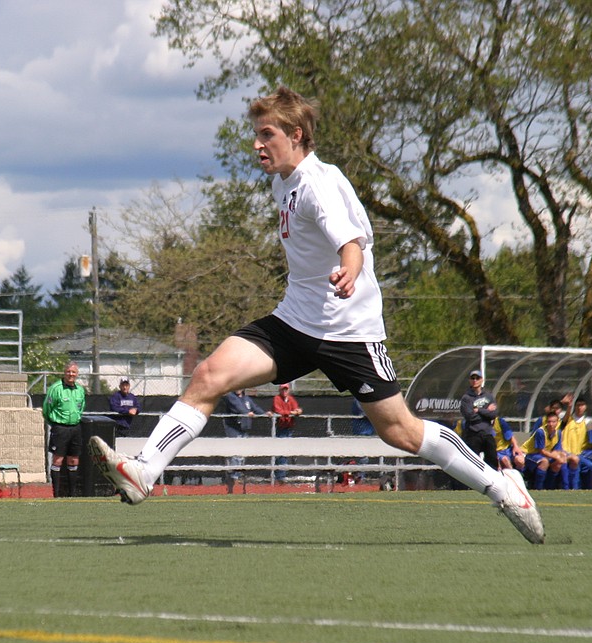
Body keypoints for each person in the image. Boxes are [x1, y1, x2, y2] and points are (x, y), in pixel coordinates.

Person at [87, 85, 543, 543]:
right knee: (208, 375)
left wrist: (349, 270)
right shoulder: (281, 183)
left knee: (401, 432)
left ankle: (503, 487)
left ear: (297, 134)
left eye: (266, 134)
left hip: (348, 330)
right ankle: (145, 470)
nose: (256, 144)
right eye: (256, 135)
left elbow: (351, 244)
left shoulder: (316, 185)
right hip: (295, 321)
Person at [42, 361, 86, 497]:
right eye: (68, 372)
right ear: (64, 373)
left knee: (74, 460)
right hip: (60, 428)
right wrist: (55, 424)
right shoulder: (55, 389)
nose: (71, 374)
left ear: (77, 374)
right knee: (58, 460)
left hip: (75, 428)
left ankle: (72, 494)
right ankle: (56, 494)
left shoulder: (80, 390)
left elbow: (81, 407)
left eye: (73, 372)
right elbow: (46, 410)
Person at [221, 388, 264, 491]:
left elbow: (255, 408)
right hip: (233, 429)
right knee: (236, 454)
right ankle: (233, 478)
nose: (238, 388)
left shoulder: (246, 399)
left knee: (242, 455)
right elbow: (238, 408)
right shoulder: (230, 396)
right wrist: (247, 413)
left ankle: (236, 477)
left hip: (243, 429)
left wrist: (265, 413)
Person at [459, 370, 499, 469]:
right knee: (473, 463)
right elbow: (470, 417)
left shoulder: (489, 396)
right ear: (469, 381)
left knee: (492, 459)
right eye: (472, 378)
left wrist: (479, 410)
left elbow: (493, 414)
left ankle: (492, 481)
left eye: (477, 378)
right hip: (473, 433)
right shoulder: (466, 398)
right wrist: (486, 410)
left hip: (487, 432)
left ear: (482, 380)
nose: (475, 380)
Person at [558, 392, 592, 490]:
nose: (580, 407)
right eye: (578, 405)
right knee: (576, 462)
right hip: (565, 452)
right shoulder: (567, 418)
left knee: (589, 465)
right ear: (575, 407)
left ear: (586, 407)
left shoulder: (587, 421)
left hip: (580, 453)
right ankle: (573, 488)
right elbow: (554, 412)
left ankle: (587, 488)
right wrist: (567, 404)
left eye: (582, 405)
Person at [523, 410, 568, 490]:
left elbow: (557, 450)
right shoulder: (541, 432)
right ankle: (538, 488)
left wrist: (558, 456)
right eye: (549, 422)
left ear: (557, 422)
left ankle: (550, 487)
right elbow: (541, 451)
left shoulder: (558, 433)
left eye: (553, 422)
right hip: (531, 455)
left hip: (545, 454)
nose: (551, 424)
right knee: (544, 461)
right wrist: (556, 457)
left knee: (560, 460)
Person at [269, 383, 302, 482]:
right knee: (280, 452)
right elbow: (278, 411)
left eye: (286, 389)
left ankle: (281, 475)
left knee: (286, 452)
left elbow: (297, 409)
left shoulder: (290, 399)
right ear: (280, 390)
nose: (284, 391)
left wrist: (296, 411)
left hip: (288, 428)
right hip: (280, 428)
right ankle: (280, 476)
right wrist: (291, 413)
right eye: (283, 389)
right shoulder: (277, 398)